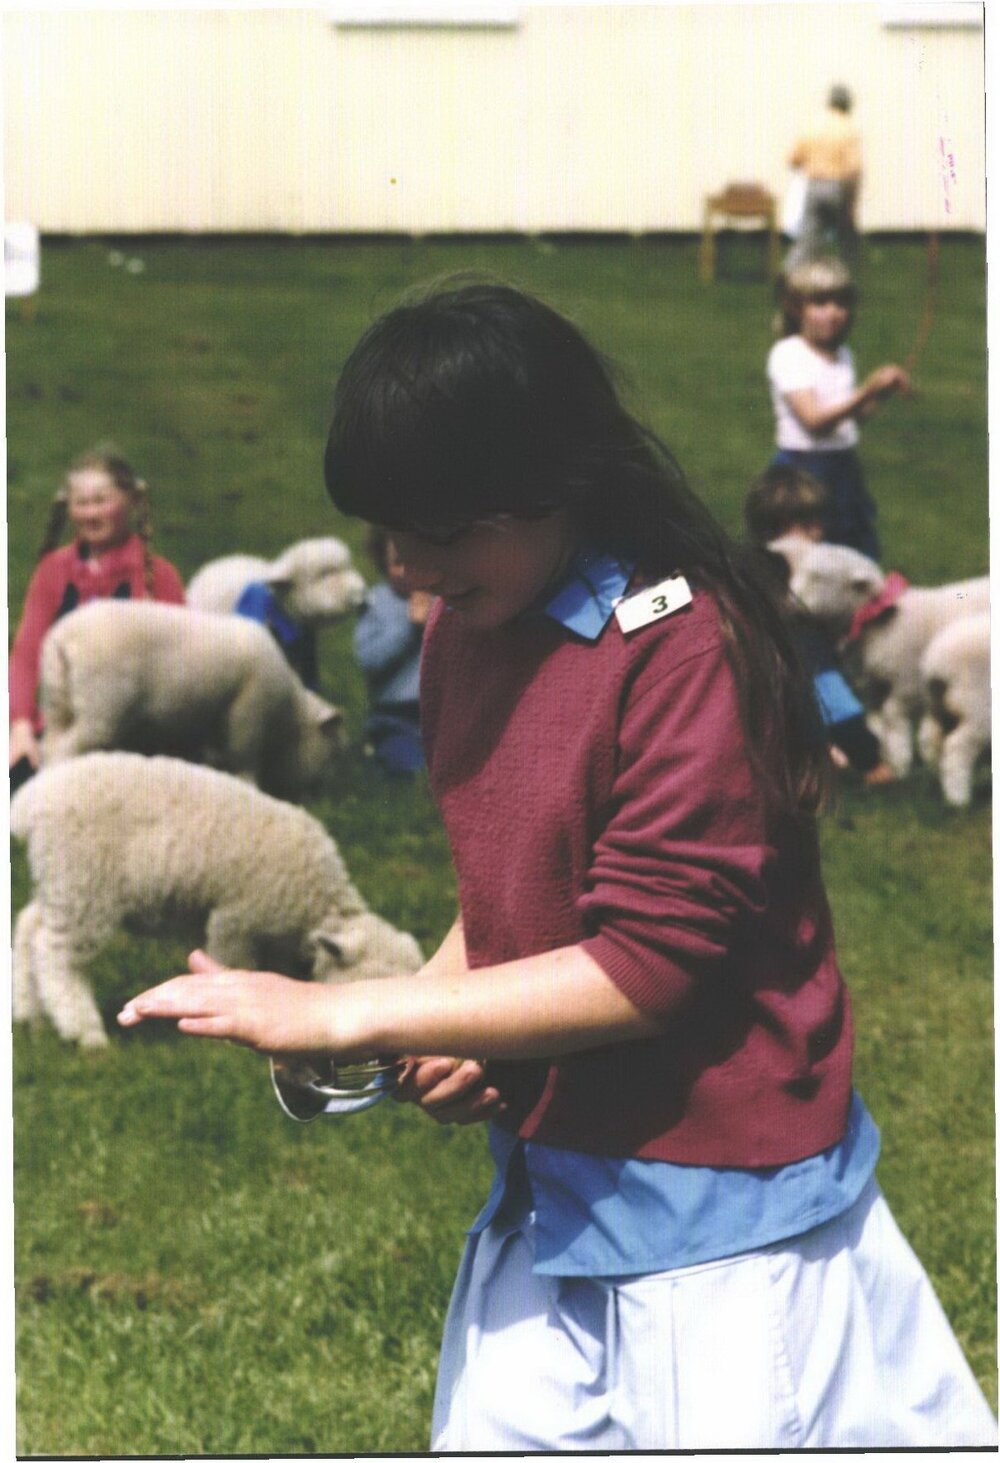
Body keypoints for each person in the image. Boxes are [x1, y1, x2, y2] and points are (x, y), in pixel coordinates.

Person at [118, 282, 996, 1451]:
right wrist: (441, 1018)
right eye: (388, 531)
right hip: (559, 1191)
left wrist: (347, 1011)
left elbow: (651, 963)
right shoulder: (468, 629)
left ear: (550, 483)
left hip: (722, 1232)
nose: (405, 566)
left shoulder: (685, 649)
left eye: (438, 528)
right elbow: (516, 882)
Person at [8, 446, 185, 783]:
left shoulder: (159, 577)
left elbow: (178, 669)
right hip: (56, 724)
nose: (90, 513)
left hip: (133, 733)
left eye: (101, 501)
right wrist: (20, 726)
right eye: (82, 502)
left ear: (131, 502)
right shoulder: (53, 571)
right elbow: (26, 656)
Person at [744, 464, 895, 786]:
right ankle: (871, 766)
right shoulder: (810, 565)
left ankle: (815, 753)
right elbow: (836, 703)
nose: (819, 532)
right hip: (803, 653)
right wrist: (869, 759)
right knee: (830, 691)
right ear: (791, 524)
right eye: (812, 523)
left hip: (749, 659)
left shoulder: (744, 562)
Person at [767, 257, 911, 561]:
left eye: (841, 303)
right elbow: (814, 421)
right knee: (808, 556)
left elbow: (851, 419)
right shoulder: (789, 354)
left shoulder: (843, 354)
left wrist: (881, 394)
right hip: (802, 470)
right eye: (820, 303)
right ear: (796, 308)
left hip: (842, 467)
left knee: (853, 549)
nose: (833, 313)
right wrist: (868, 389)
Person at [353, 526, 429, 774]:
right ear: (382, 563)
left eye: (418, 558)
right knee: (409, 763)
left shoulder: (443, 601)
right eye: (399, 562)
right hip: (395, 715)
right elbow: (370, 660)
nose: (409, 570)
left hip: (442, 712)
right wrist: (410, 628)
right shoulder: (376, 603)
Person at [784, 84, 862, 272]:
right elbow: (854, 168)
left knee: (809, 236)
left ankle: (791, 273)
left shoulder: (812, 125)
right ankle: (848, 275)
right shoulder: (848, 129)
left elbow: (794, 159)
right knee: (846, 237)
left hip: (814, 186)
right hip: (838, 187)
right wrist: (853, 198)